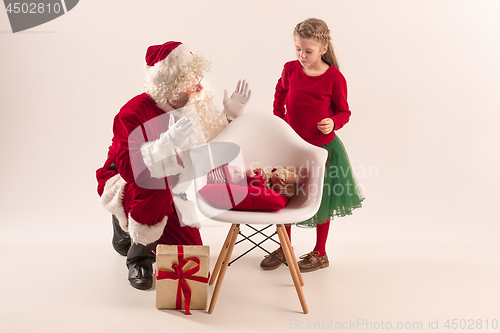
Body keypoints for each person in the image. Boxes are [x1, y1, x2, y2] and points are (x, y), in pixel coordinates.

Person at [96, 41, 251, 290]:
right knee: (157, 185)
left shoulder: (192, 105)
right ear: (169, 86)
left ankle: (135, 228)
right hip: (131, 183)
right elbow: (130, 170)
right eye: (191, 83)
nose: (199, 87)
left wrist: (230, 117)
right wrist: (166, 143)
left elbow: (210, 149)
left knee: (192, 264)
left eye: (198, 78)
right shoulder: (133, 112)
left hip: (177, 189)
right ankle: (139, 255)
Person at [260, 18, 364, 273]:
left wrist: (333, 122)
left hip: (322, 150)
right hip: (293, 147)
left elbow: (344, 112)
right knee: (286, 194)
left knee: (321, 198)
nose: (301, 55)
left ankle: (320, 252)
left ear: (323, 49)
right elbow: (280, 93)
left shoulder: (334, 78)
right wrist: (280, 120)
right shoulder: (290, 69)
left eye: (308, 51)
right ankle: (285, 246)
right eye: (298, 49)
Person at [206, 163, 308, 199]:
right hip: (283, 190)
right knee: (278, 175)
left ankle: (296, 177)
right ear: (233, 184)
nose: (236, 170)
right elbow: (260, 187)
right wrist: (253, 176)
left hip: (286, 183)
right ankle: (299, 179)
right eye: (234, 174)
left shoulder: (244, 176)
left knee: (284, 169)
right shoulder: (243, 186)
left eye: (233, 168)